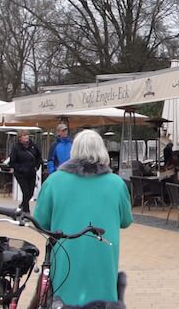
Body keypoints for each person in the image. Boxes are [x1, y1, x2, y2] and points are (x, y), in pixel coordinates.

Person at [33, 129, 133, 306]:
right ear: (102, 151)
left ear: (74, 151)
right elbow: (126, 221)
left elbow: (40, 222)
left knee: (63, 297)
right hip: (103, 254)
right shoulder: (117, 184)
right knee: (103, 299)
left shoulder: (54, 181)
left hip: (65, 254)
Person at [8, 130, 42, 213]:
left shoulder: (33, 146)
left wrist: (37, 166)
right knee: (25, 192)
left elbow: (39, 157)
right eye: (24, 135)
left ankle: (23, 204)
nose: (27, 137)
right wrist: (21, 169)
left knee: (30, 193)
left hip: (32, 173)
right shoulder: (16, 148)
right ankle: (26, 211)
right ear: (20, 138)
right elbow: (12, 162)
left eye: (27, 135)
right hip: (21, 174)